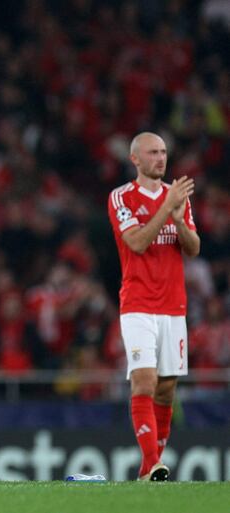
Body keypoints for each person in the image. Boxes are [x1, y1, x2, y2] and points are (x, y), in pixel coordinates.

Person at [107, 132, 199, 481]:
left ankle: (150, 468)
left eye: (163, 152)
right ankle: (153, 462)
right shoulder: (122, 197)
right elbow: (137, 242)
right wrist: (166, 208)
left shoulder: (178, 200)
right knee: (143, 381)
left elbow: (193, 248)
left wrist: (178, 219)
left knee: (167, 388)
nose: (161, 159)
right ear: (135, 159)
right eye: (153, 153)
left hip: (174, 306)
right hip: (138, 305)